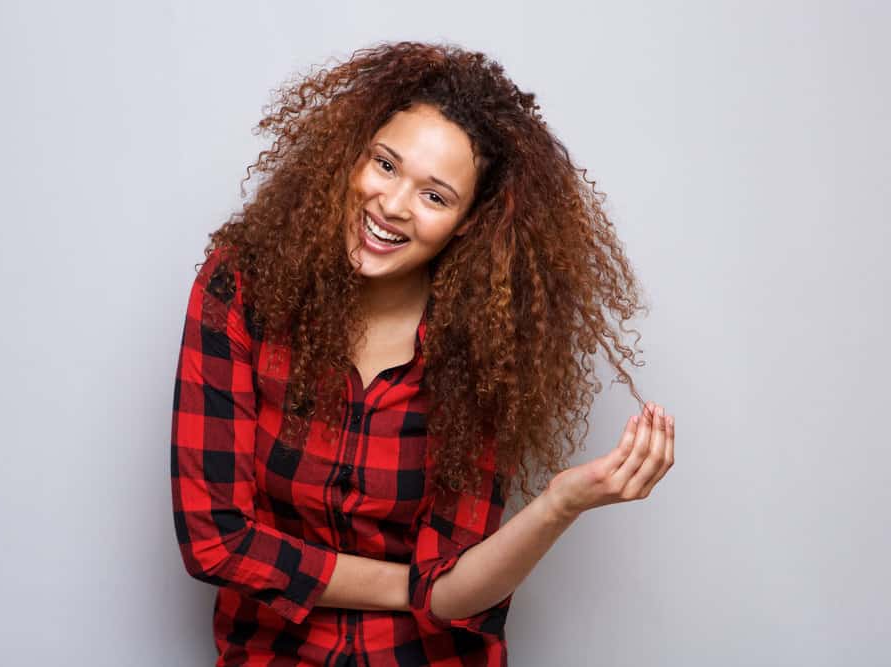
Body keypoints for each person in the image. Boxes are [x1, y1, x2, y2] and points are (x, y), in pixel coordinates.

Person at [170, 40, 674, 667]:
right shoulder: (241, 288)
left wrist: (558, 504)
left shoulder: (484, 344)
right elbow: (215, 540)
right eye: (385, 165)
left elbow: (457, 597)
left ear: (467, 222)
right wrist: (411, 587)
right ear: (350, 154)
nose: (392, 205)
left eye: (434, 196)